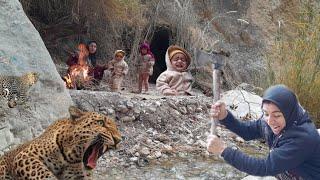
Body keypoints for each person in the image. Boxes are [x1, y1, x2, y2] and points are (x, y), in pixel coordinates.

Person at [207, 84, 320, 179]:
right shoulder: (270, 122)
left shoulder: (303, 138)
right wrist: (225, 116)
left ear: (289, 113)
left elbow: (264, 167)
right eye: (266, 113)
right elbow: (246, 131)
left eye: (277, 115)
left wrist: (223, 150)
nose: (270, 121)